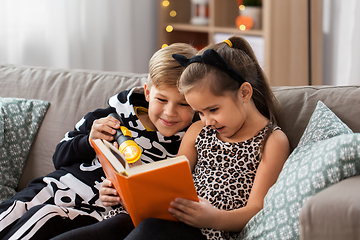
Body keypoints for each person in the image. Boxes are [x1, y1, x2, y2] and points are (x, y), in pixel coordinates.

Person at [0, 43, 198, 240]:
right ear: (147, 93)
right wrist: (88, 141)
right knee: (12, 213)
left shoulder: (191, 142)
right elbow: (59, 157)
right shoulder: (111, 116)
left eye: (183, 104)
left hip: (96, 213)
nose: (170, 112)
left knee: (45, 217)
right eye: (161, 100)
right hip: (57, 188)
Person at [123, 36, 290, 240]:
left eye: (213, 109)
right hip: (174, 221)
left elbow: (257, 209)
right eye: (200, 113)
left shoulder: (272, 141)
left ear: (245, 93)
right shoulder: (198, 130)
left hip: (210, 232)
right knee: (120, 223)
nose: (207, 121)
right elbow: (170, 182)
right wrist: (131, 188)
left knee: (150, 229)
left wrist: (212, 218)